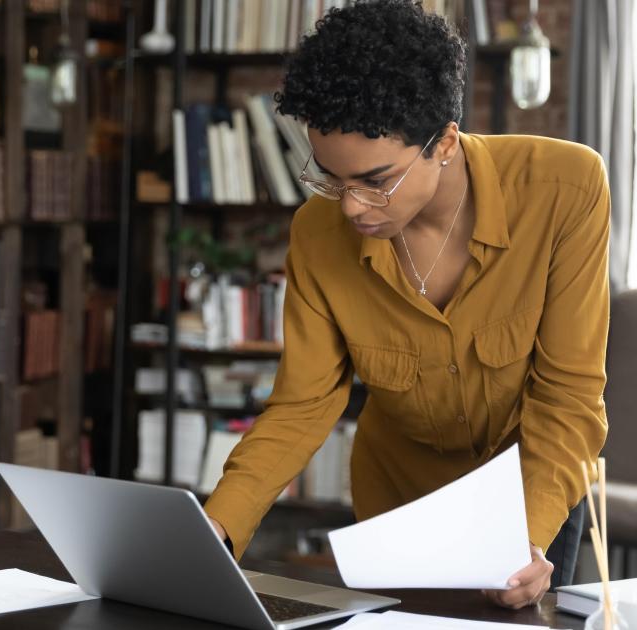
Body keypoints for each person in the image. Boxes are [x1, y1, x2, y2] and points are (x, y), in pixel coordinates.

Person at [203, 0, 609, 609]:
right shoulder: (317, 235)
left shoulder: (566, 190)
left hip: (532, 503)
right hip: (396, 510)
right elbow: (301, 406)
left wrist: (522, 537)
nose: (351, 207)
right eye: (332, 180)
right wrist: (218, 528)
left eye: (375, 181)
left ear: (444, 142)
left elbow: (568, 394)